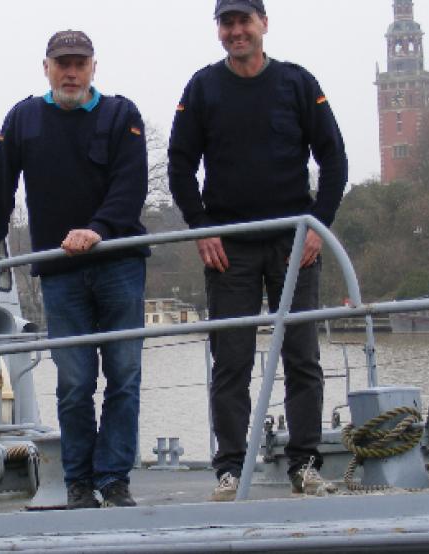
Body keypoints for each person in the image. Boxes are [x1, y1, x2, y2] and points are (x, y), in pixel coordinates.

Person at [167, 0, 347, 501]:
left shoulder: (298, 83)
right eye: (227, 23)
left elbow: (334, 158)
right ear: (218, 31)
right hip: (230, 250)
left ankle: (305, 465)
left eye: (245, 20)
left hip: (295, 245)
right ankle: (229, 470)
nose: (237, 31)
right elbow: (180, 165)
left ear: (263, 24)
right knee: (231, 361)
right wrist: (201, 227)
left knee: (303, 357)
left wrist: (319, 226)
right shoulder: (202, 89)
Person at [0, 30, 149, 509]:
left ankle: (114, 478)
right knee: (74, 382)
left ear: (93, 68)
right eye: (62, 63)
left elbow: (130, 186)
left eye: (79, 64)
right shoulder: (24, 119)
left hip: (119, 265)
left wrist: (97, 229)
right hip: (61, 273)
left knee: (124, 375)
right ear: (45, 67)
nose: (71, 72)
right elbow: (0, 189)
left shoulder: (121, 114)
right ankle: (79, 483)